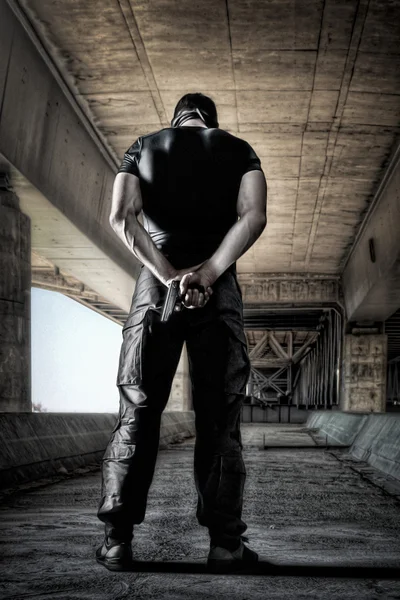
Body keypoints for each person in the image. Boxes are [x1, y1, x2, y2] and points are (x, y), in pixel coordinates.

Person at [96, 93, 267, 572]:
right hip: (217, 287)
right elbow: (253, 216)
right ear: (212, 120)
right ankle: (224, 546)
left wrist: (170, 275)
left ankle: (116, 541)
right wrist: (208, 273)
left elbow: (120, 217)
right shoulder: (239, 150)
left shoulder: (142, 147)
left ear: (176, 118)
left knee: (138, 410)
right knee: (219, 419)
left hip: (157, 286)